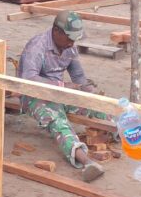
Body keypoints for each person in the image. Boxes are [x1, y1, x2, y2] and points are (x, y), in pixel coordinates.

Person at [18, 11, 111, 182]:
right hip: (33, 96)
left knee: (97, 109)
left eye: (74, 39)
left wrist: (90, 94)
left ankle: (130, 133)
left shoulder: (69, 47)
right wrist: (62, 86)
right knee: (57, 120)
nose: (72, 43)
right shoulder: (37, 47)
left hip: (60, 94)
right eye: (69, 38)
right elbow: (28, 80)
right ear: (56, 31)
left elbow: (78, 77)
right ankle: (87, 162)